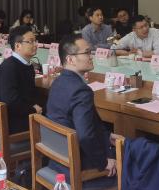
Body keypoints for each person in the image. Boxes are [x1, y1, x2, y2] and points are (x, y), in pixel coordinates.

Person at [45, 36, 116, 176]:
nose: (91, 56)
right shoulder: (81, 90)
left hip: (57, 157)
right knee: (133, 162)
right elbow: (85, 136)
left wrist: (106, 136)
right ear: (70, 59)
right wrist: (103, 162)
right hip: (77, 164)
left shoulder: (58, 82)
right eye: (87, 52)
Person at [0, 30, 43, 133]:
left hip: (21, 113)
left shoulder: (26, 65)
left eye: (35, 41)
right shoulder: (10, 67)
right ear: (18, 46)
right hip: (11, 120)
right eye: (31, 41)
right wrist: (33, 110)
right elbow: (10, 101)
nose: (35, 45)